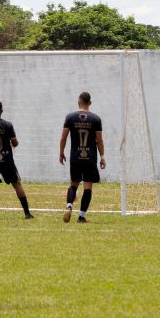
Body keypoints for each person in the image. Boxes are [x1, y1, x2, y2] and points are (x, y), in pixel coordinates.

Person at [59, 91, 106, 223]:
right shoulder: (96, 119)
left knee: (74, 184)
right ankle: (82, 216)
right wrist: (102, 157)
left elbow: (63, 137)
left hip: (75, 157)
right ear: (90, 103)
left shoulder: (70, 117)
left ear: (78, 102)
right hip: (89, 157)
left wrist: (61, 152)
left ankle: (69, 206)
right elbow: (99, 141)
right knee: (87, 187)